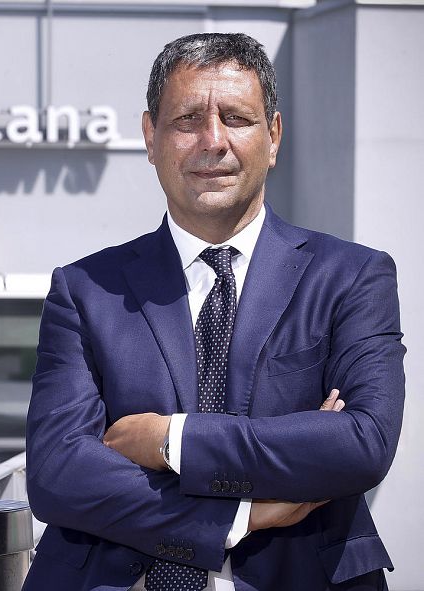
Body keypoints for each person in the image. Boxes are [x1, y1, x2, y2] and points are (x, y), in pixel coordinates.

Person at [23, 32, 404, 591]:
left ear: (273, 137)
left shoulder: (351, 277)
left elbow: (362, 443)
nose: (213, 140)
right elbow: (58, 473)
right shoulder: (85, 289)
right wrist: (238, 514)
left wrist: (171, 440)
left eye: (237, 118)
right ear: (150, 136)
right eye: (187, 120)